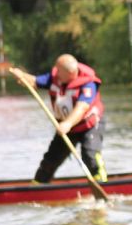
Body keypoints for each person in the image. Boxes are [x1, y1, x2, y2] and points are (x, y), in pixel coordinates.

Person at [10, 55, 107, 183]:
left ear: (71, 73)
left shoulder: (89, 83)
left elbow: (82, 107)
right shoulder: (56, 77)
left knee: (90, 156)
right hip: (66, 128)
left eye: (59, 70)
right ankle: (39, 184)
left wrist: (67, 124)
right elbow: (34, 81)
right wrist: (22, 75)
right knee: (51, 159)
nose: (55, 72)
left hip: (89, 125)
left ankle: (101, 181)